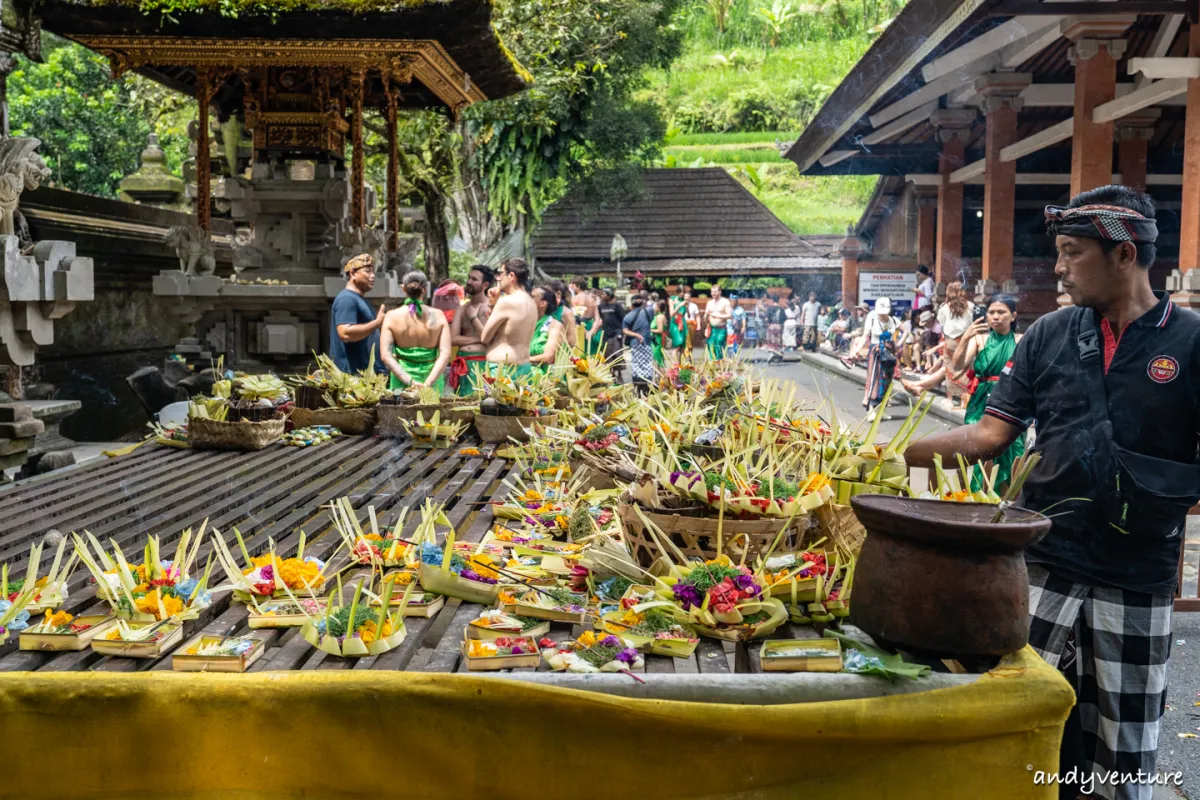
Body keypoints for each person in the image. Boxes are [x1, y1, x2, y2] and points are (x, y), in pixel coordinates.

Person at [906, 185, 1200, 800]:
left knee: (1124, 743)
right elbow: (990, 433)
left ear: (1123, 254)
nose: (1058, 268)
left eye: (1071, 252)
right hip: (1043, 564)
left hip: (1137, 570)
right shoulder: (1050, 335)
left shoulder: (1190, 341)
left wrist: (1165, 492)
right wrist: (900, 452)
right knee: (1026, 724)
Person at [379, 270, 451, 392]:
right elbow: (445, 354)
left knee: (401, 411)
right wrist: (428, 383)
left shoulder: (391, 316)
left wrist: (410, 382)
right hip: (432, 381)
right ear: (425, 289)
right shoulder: (438, 315)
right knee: (433, 411)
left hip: (401, 382)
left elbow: (386, 355)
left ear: (403, 289)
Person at [479, 258, 537, 374]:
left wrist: (491, 303)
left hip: (503, 369)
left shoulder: (507, 302)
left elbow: (485, 338)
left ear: (511, 276)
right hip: (524, 367)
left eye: (501, 274)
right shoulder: (531, 302)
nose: (497, 278)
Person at [329, 253, 385, 373]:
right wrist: (377, 323)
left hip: (365, 376)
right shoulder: (347, 299)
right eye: (367, 271)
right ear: (353, 273)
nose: (372, 276)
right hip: (352, 377)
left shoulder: (359, 300)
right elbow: (345, 333)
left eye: (373, 272)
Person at [449, 264, 492, 396]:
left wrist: (484, 338)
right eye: (469, 278)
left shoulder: (492, 307)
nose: (468, 282)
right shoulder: (462, 308)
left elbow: (491, 340)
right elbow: (453, 339)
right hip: (463, 364)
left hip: (483, 364)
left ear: (485, 285)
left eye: (474, 279)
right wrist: (480, 339)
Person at [937, 281, 975, 408]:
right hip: (966, 339)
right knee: (966, 368)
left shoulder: (945, 307)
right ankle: (965, 398)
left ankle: (950, 399)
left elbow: (941, 322)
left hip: (950, 341)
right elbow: (972, 321)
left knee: (950, 368)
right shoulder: (970, 306)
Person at [859, 297, 897, 420]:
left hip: (888, 351)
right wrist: (857, 349)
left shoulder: (891, 320)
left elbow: (896, 334)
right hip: (876, 351)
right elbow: (865, 334)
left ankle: (882, 409)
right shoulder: (872, 317)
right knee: (874, 379)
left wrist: (898, 343)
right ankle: (871, 409)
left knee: (886, 380)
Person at [621, 293, 655, 393]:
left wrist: (635, 335)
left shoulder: (628, 316)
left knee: (636, 364)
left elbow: (625, 330)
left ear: (631, 304)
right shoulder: (649, 311)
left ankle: (638, 387)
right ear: (642, 302)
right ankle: (646, 387)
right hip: (646, 343)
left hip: (635, 344)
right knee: (647, 364)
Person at [529, 285, 566, 373]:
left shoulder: (555, 326)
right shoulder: (526, 323)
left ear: (542, 303)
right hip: (524, 370)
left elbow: (548, 357)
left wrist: (523, 360)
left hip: (545, 376)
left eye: (532, 297)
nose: (527, 300)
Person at [546, 279, 576, 350]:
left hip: (559, 355)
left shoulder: (566, 313)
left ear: (558, 294)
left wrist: (553, 344)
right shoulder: (547, 310)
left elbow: (572, 341)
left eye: (547, 293)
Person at [704, 284, 733, 359]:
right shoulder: (709, 303)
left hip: (721, 329)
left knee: (719, 346)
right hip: (712, 328)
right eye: (712, 292)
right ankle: (712, 365)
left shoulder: (725, 302)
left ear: (720, 292)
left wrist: (717, 316)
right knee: (711, 346)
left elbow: (729, 315)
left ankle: (719, 364)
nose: (713, 293)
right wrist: (706, 314)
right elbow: (705, 319)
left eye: (715, 292)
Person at [569, 277, 597, 352]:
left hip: (579, 328)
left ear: (578, 286)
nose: (572, 288)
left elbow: (577, 318)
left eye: (573, 286)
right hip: (590, 326)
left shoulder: (574, 299)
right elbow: (598, 318)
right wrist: (592, 331)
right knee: (591, 355)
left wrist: (585, 332)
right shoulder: (592, 299)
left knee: (579, 354)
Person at [668, 287, 689, 360]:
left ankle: (680, 365)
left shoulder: (684, 300)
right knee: (677, 344)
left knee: (682, 347)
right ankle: (675, 366)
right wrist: (679, 305)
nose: (682, 293)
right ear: (677, 292)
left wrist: (687, 306)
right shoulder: (672, 299)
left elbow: (687, 314)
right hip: (675, 322)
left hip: (682, 323)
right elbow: (671, 314)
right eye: (680, 292)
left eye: (683, 292)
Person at [650, 298, 671, 368]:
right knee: (659, 358)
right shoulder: (661, 316)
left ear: (659, 308)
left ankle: (660, 376)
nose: (654, 308)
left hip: (657, 340)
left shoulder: (659, 317)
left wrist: (650, 330)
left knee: (658, 359)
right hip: (658, 339)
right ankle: (659, 376)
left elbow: (660, 330)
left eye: (655, 306)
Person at [684, 288, 701, 356]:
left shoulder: (694, 306)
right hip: (684, 325)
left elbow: (697, 316)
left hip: (692, 325)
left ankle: (690, 357)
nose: (687, 299)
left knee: (691, 342)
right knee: (686, 342)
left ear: (690, 298)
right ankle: (685, 356)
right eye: (685, 298)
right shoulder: (681, 305)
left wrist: (699, 324)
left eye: (688, 298)